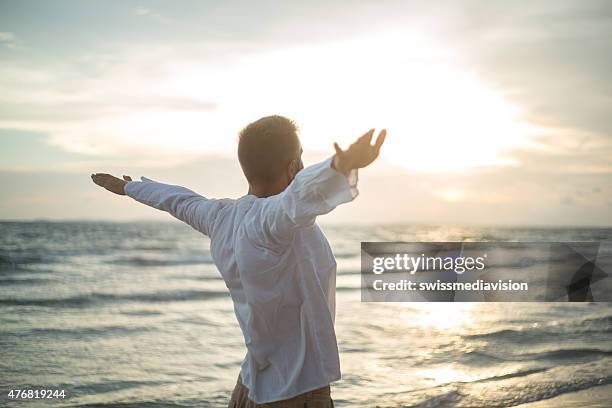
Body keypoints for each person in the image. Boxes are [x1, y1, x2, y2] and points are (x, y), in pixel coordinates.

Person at [91, 115, 386, 407]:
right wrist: (340, 165)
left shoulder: (220, 217)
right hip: (296, 392)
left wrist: (129, 188)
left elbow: (177, 200)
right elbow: (300, 194)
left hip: (250, 385)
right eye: (300, 159)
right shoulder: (274, 219)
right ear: (293, 166)